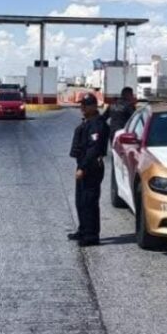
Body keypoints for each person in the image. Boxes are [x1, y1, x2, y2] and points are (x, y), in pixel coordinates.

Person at [68, 93, 109, 247]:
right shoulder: (88, 122)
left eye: (85, 105)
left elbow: (94, 149)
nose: (82, 108)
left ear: (93, 106)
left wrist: (83, 168)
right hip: (84, 165)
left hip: (91, 167)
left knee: (89, 202)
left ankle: (91, 236)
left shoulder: (98, 124)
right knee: (81, 201)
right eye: (81, 105)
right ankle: (83, 229)